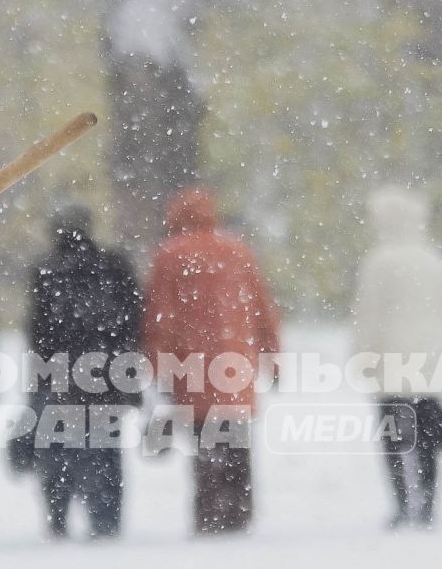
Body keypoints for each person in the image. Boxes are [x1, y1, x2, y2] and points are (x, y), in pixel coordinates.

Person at [143, 187, 281, 534]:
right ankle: (239, 510)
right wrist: (272, 358)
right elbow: (263, 310)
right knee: (236, 442)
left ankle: (209, 513)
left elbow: (161, 317)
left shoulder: (170, 255)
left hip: (193, 367)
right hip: (237, 365)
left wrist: (158, 367)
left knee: (205, 444)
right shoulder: (239, 251)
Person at [27, 203, 144, 539]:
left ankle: (58, 515)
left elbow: (37, 331)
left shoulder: (46, 270)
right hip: (108, 374)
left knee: (58, 449)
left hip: (61, 377)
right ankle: (106, 518)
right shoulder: (114, 265)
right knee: (104, 451)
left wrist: (38, 381)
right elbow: (131, 323)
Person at [352, 184, 442, 528]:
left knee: (394, 437)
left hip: (391, 362)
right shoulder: (435, 261)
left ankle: (402, 503)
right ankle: (427, 503)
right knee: (428, 438)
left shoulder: (379, 263)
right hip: (428, 363)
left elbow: (368, 314)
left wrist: (361, 355)